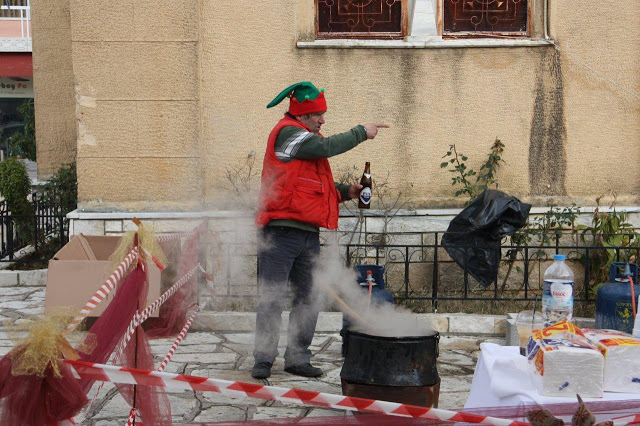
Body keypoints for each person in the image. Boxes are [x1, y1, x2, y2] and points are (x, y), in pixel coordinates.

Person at [252, 81, 388, 379]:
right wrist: (361, 132)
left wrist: (344, 191)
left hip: (306, 234)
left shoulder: (305, 139)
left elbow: (312, 186)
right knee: (272, 298)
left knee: (308, 297)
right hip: (279, 232)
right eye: (318, 114)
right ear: (302, 114)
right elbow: (327, 147)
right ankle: (263, 359)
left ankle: (297, 358)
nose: (323, 119)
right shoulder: (288, 133)